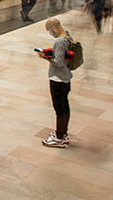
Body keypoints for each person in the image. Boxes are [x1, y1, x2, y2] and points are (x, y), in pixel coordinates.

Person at [39, 17, 73, 148]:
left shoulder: (59, 41)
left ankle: (59, 138)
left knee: (59, 108)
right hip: (66, 77)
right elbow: (65, 56)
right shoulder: (67, 36)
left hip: (58, 78)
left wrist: (46, 57)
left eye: (49, 30)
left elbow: (59, 63)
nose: (50, 33)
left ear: (53, 28)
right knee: (65, 106)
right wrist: (51, 53)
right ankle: (63, 134)